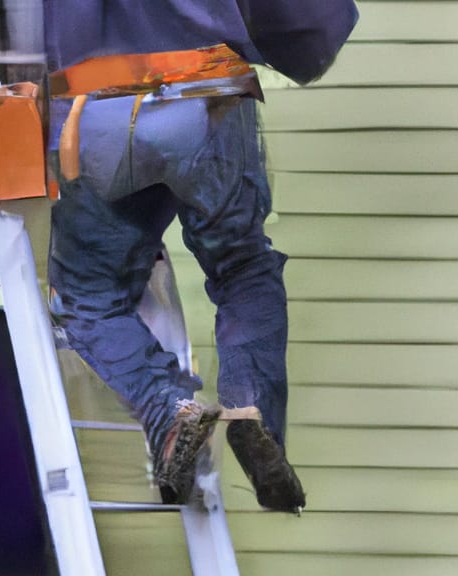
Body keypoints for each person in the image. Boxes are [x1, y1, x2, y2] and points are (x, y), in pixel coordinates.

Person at [44, 0, 357, 511]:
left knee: (88, 295)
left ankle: (168, 412)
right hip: (209, 86)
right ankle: (250, 407)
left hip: (100, 97)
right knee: (241, 268)